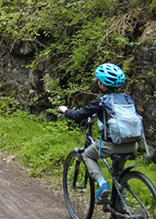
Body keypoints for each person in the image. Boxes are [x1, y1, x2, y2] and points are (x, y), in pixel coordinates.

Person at [57, 63, 139, 205]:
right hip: (132, 145)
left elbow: (79, 115)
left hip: (111, 145)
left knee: (87, 155)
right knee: (119, 174)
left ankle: (103, 185)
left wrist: (65, 111)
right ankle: (121, 209)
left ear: (101, 84)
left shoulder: (102, 101)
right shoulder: (128, 99)